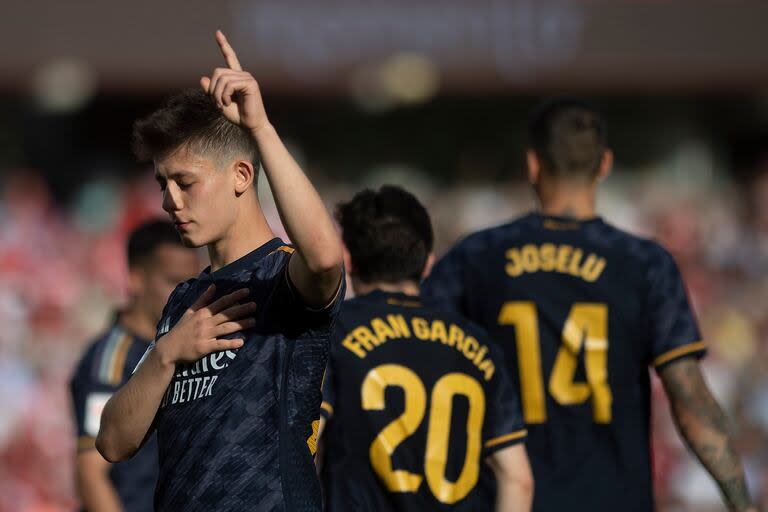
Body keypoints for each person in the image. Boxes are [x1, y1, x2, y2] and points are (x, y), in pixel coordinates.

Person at [422, 98, 757, 512]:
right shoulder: (644, 264)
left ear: (532, 164)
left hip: (508, 500)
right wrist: (742, 502)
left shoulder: (477, 256)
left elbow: (422, 362)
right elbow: (690, 401)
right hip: (614, 499)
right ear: (605, 165)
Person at [96, 31, 344, 512]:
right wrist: (167, 353)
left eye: (185, 182)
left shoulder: (283, 277)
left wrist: (261, 128)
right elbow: (113, 441)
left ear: (241, 176)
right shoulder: (183, 300)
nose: (170, 200)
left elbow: (326, 257)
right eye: (163, 184)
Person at [318, 185, 533, 511]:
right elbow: (518, 479)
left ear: (348, 260)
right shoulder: (478, 343)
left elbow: (307, 441)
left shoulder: (334, 333)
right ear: (428, 263)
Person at [70, 220, 199, 512]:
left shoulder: (180, 343)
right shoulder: (111, 360)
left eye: (193, 282)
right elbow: (91, 471)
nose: (186, 293)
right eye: (174, 281)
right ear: (136, 278)